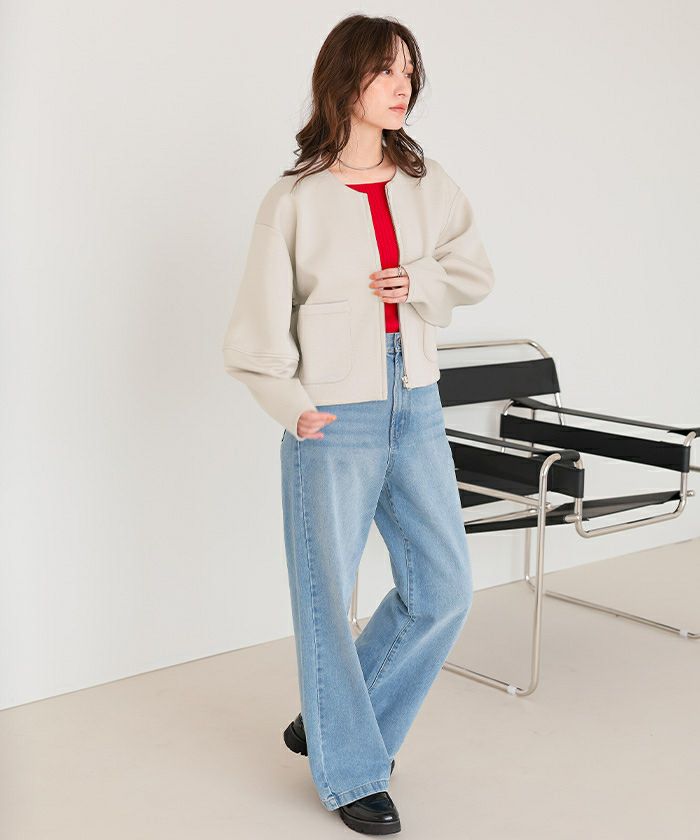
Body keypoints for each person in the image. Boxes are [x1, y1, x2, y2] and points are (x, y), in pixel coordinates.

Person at [222, 14, 495, 835]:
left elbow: (473, 270)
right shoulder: (295, 199)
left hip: (417, 403)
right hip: (331, 416)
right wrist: (290, 404)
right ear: (345, 79)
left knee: (444, 588)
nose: (402, 84)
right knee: (326, 599)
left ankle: (333, 724)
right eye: (385, 70)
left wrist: (417, 280)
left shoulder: (427, 181)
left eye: (409, 69)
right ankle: (350, 771)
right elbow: (254, 330)